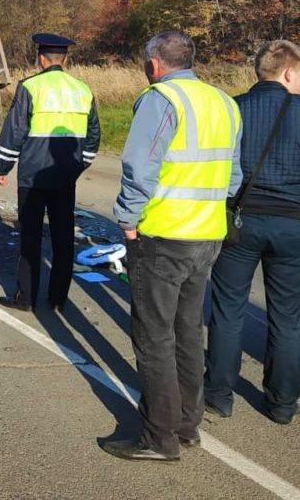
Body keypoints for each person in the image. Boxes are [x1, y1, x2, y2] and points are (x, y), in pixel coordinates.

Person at [105, 31, 242, 462]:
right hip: (207, 234)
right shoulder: (223, 100)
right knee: (186, 331)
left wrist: (128, 219)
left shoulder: (161, 98)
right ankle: (187, 424)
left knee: (153, 337)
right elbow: (233, 174)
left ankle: (158, 437)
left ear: (154, 64)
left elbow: (140, 165)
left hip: (164, 236)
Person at [205, 39, 300, 426]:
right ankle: (281, 403)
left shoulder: (234, 108)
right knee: (288, 316)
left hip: (240, 221)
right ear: (289, 72)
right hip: (293, 224)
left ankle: (218, 395)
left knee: (228, 309)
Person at [0, 33, 100, 313]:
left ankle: (25, 298)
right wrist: (81, 164)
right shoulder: (82, 89)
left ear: (41, 58)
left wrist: (2, 166)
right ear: (64, 58)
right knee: (63, 237)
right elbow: (93, 134)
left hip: (33, 176)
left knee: (30, 237)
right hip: (66, 176)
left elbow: (15, 130)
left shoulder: (31, 86)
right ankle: (57, 300)